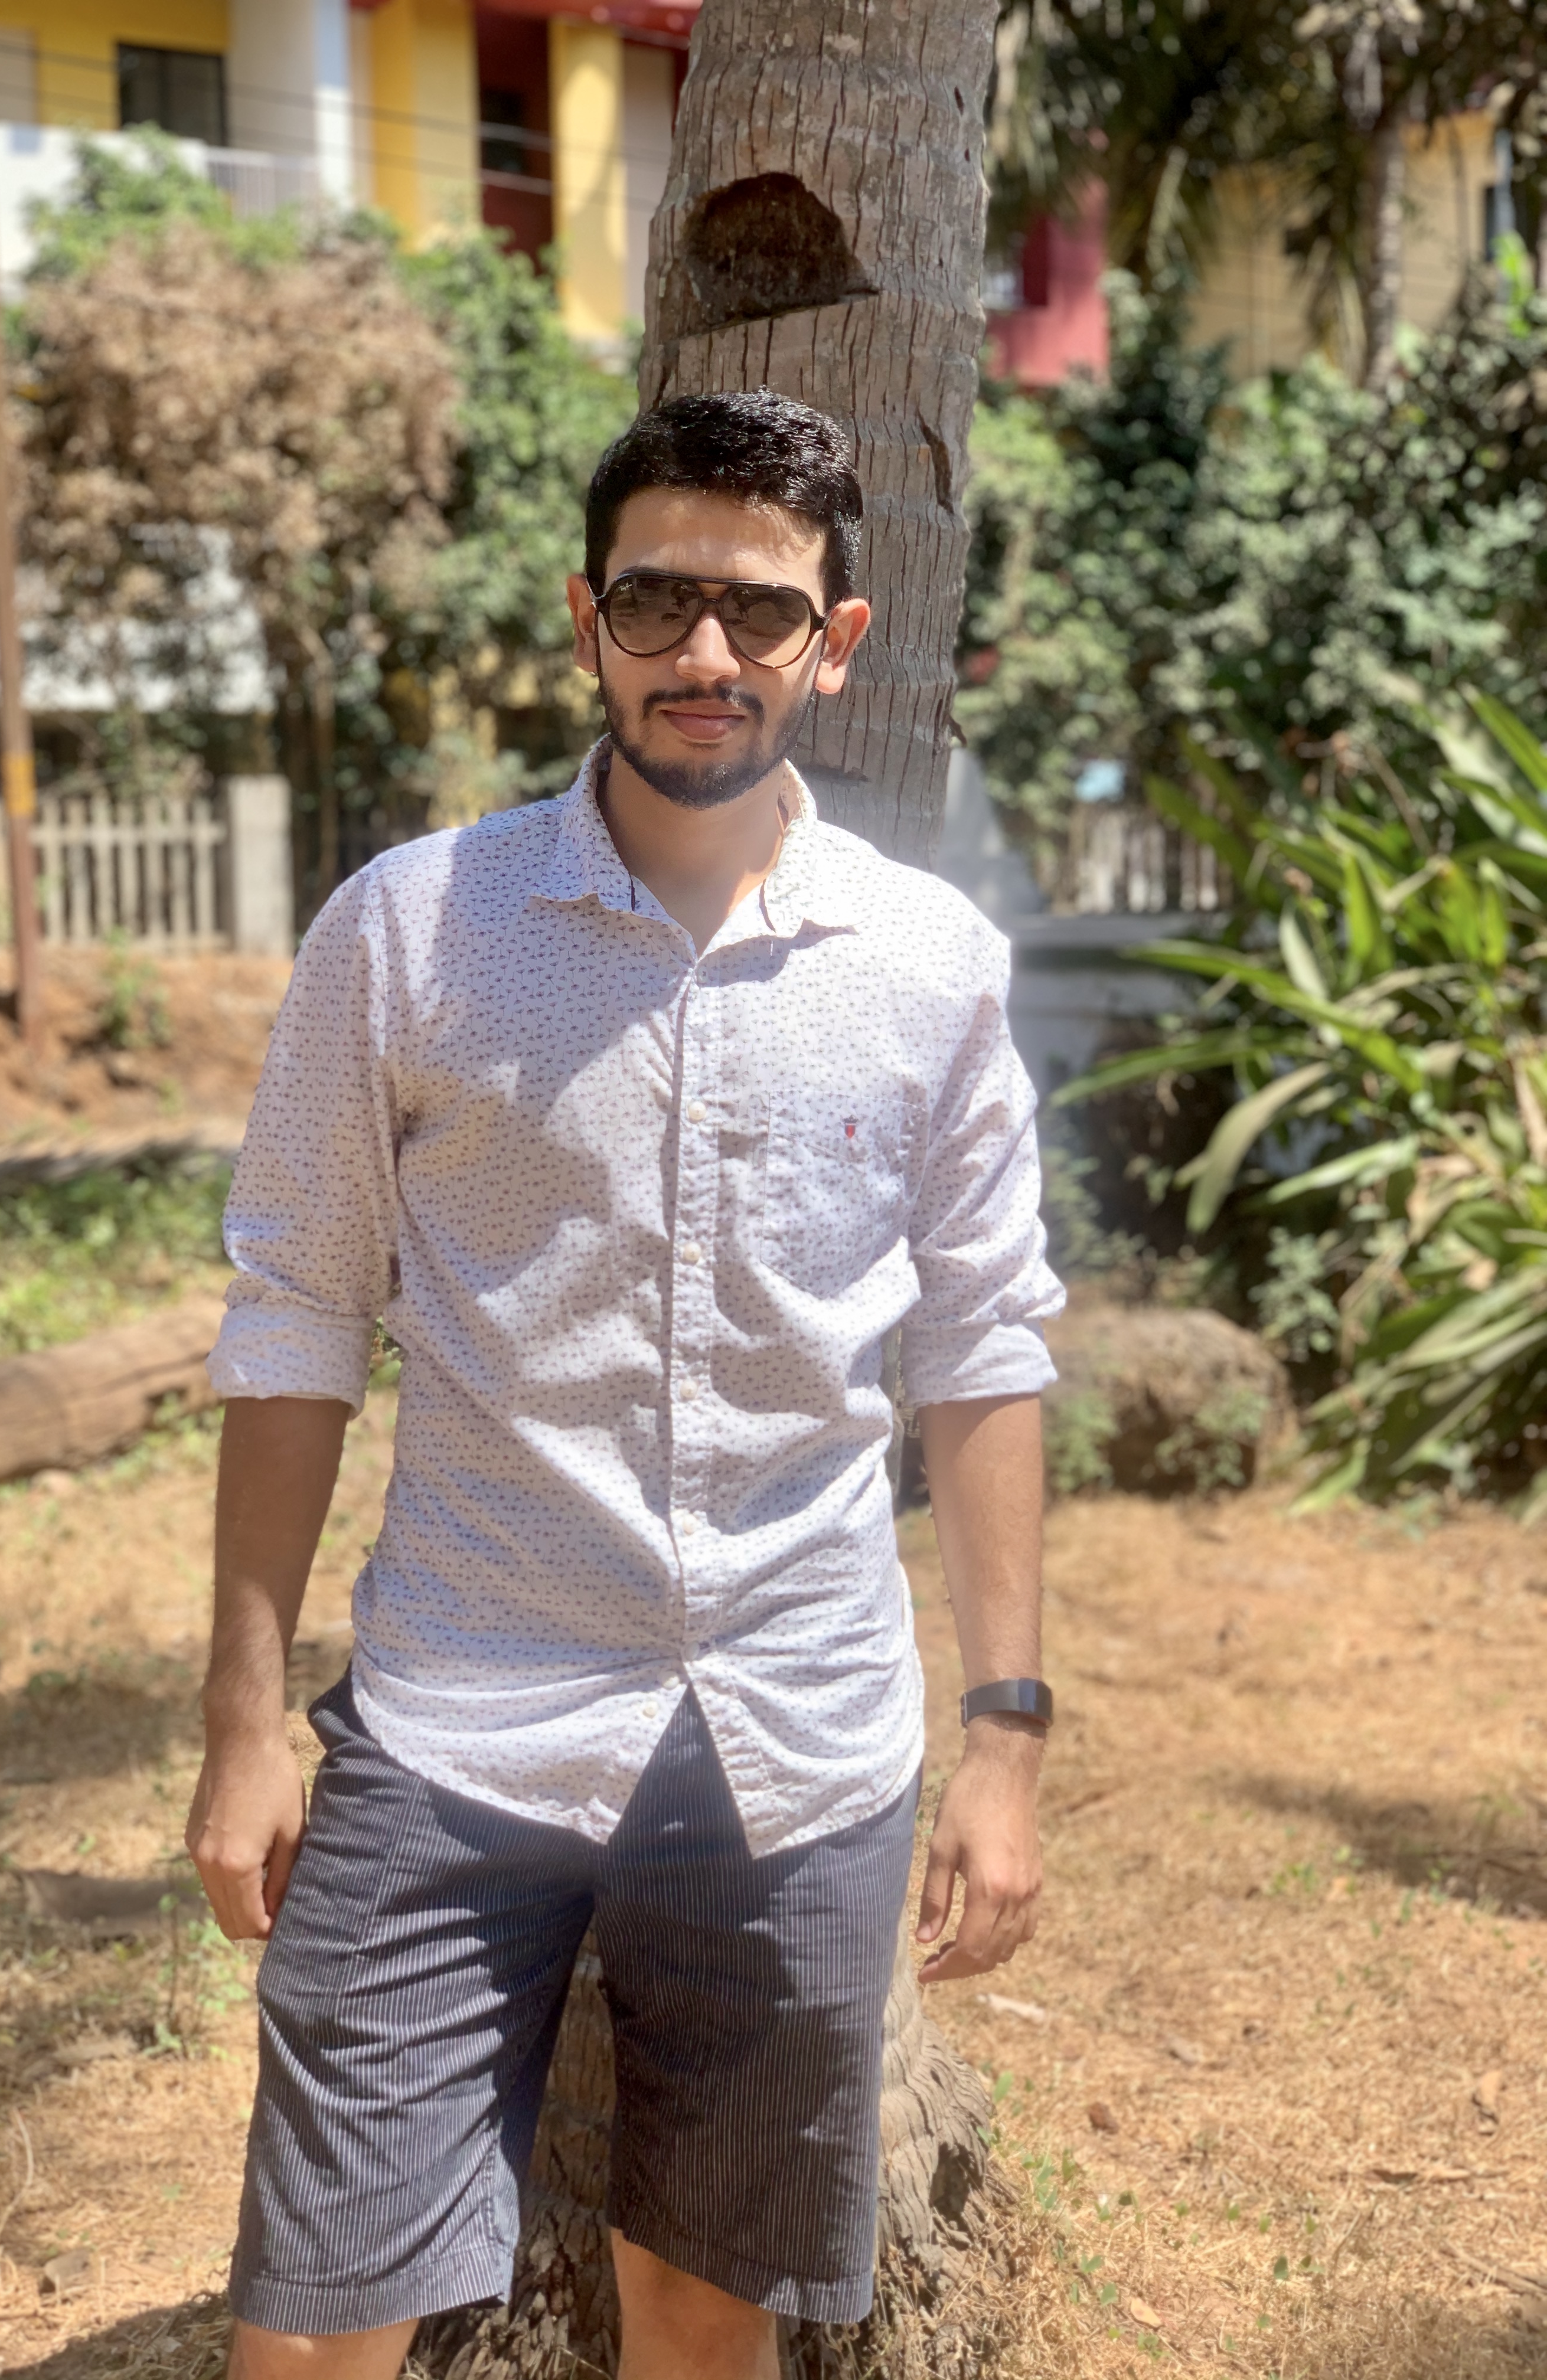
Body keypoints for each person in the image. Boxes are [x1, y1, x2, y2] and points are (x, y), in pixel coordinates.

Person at [187, 388, 1065, 2380]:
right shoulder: (411, 930)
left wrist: (1005, 1735)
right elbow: (295, 1317)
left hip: (798, 1739)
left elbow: (983, 1344)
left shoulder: (930, 964)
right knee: (317, 2322)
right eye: (659, 602)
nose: (704, 652)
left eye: (761, 612)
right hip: (456, 1719)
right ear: (588, 618)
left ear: (836, 643)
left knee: (700, 2309)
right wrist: (243, 1720)